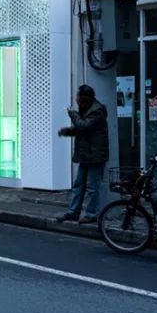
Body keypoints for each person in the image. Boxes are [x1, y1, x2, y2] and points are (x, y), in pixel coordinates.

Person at [57, 84, 109, 225]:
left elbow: (83, 126)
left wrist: (72, 114)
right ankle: (73, 212)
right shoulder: (87, 108)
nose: (75, 98)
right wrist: (67, 131)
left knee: (92, 187)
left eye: (77, 95)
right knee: (78, 184)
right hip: (86, 154)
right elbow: (82, 128)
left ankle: (91, 214)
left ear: (83, 97)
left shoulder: (97, 111)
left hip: (95, 156)